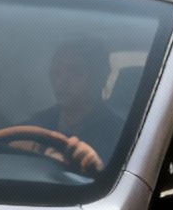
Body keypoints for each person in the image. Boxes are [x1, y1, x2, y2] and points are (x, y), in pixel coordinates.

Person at [14, 36, 119, 170]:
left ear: (99, 78)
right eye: (56, 72)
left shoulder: (117, 138)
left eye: (75, 72)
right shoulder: (37, 123)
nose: (62, 80)